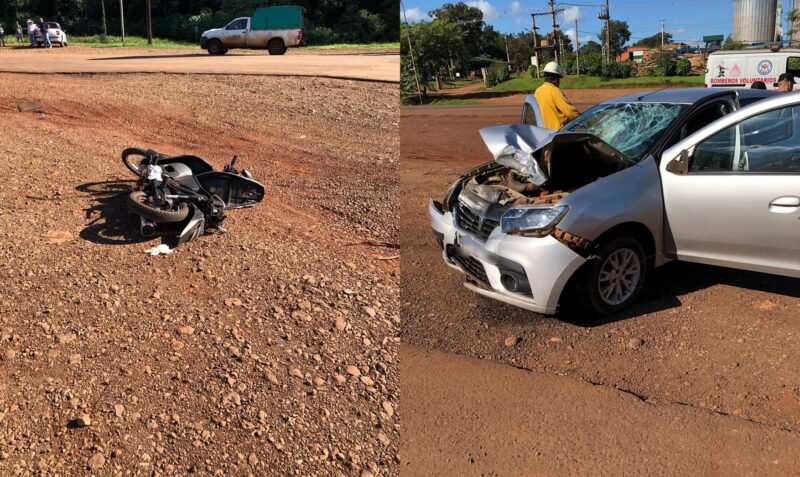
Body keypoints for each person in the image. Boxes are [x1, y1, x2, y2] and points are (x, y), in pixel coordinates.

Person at [534, 61, 580, 130]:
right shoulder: (555, 91)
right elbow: (570, 112)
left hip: (544, 133)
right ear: (556, 79)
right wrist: (584, 120)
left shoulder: (538, 91)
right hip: (558, 134)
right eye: (559, 78)